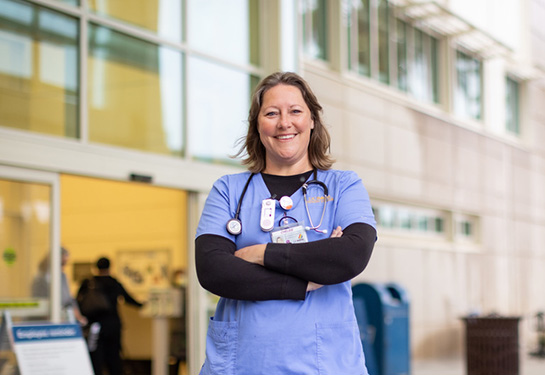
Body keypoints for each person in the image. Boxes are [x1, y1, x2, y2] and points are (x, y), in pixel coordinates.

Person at [195, 71, 377, 374]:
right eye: (271, 113)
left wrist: (259, 253)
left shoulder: (344, 185)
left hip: (324, 363)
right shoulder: (228, 190)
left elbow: (350, 256)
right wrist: (305, 281)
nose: (284, 123)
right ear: (257, 124)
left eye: (295, 111)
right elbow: (214, 271)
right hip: (243, 363)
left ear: (312, 121)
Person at [77, 256, 143, 375]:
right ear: (109, 267)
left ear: (96, 267)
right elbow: (128, 299)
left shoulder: (88, 283)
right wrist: (143, 304)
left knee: (96, 356)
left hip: (94, 325)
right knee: (113, 356)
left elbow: (78, 301)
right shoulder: (113, 283)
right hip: (112, 325)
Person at [31, 247, 88, 325]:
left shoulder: (62, 277)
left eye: (65, 264)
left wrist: (79, 317)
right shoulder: (41, 278)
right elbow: (39, 304)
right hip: (44, 323)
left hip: (62, 320)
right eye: (61, 264)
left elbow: (69, 300)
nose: (63, 267)